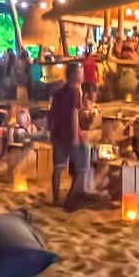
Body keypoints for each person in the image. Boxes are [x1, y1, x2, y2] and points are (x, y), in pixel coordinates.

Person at [49, 63, 84, 204]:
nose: (82, 75)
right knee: (82, 166)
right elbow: (74, 114)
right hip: (69, 133)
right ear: (73, 74)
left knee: (58, 167)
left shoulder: (58, 92)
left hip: (57, 133)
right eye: (80, 72)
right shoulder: (75, 91)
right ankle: (70, 198)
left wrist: (51, 131)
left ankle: (56, 198)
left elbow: (52, 112)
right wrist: (75, 135)